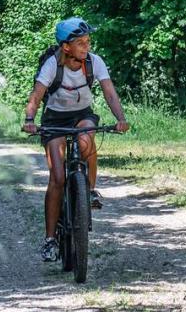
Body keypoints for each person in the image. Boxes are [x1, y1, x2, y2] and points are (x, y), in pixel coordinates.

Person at [22, 17, 130, 262]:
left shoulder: (94, 62)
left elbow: (109, 92)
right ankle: (50, 240)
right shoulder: (52, 64)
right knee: (57, 178)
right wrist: (30, 118)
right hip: (55, 120)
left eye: (88, 42)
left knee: (86, 141)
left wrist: (120, 118)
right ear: (66, 46)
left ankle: (89, 191)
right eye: (80, 43)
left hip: (82, 115)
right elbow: (37, 94)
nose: (86, 47)